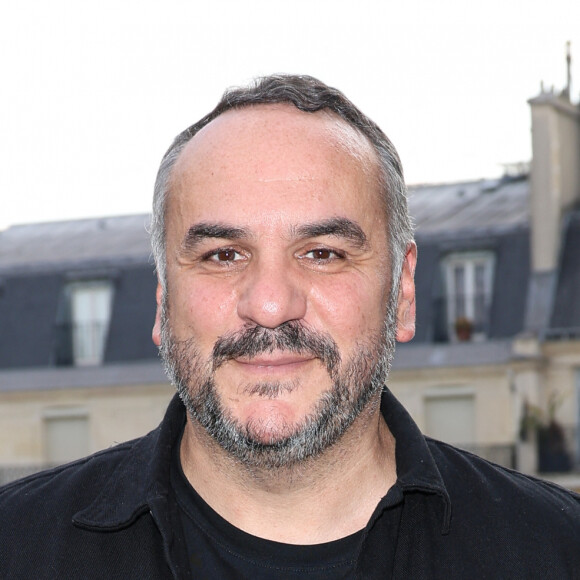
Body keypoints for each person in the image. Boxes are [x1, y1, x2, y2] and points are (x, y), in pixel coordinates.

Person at [1, 75, 579, 579]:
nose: (271, 305)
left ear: (403, 292)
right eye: (222, 255)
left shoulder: (557, 552)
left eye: (322, 253)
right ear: (161, 300)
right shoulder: (17, 548)